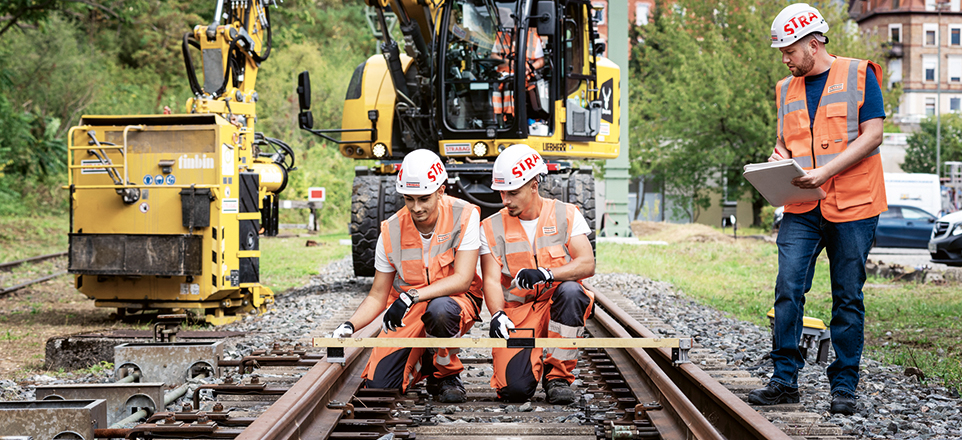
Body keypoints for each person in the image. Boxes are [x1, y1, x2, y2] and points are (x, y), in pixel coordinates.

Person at [748, 3, 887, 416]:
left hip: (854, 204)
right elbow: (787, 143)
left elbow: (873, 134)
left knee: (847, 296)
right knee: (788, 289)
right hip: (803, 203)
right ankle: (784, 379)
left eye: (789, 50)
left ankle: (844, 385)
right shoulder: (785, 88)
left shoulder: (860, 73)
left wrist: (825, 171)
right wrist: (777, 159)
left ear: (813, 43)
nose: (785, 59)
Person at [332, 149, 483, 403]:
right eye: (408, 199)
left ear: (441, 191)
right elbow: (378, 296)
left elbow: (463, 279)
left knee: (440, 309)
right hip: (411, 309)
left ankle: (446, 374)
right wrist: (350, 325)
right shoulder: (391, 230)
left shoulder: (464, 215)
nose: (416, 207)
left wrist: (410, 296)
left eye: (424, 198)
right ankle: (424, 359)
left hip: (456, 301)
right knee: (379, 386)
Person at [479, 144, 595, 404]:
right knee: (514, 392)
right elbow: (490, 280)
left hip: (556, 303)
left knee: (572, 291)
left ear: (534, 184)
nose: (505, 200)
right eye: (501, 193)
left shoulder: (567, 214)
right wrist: (497, 313)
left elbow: (587, 263)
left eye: (513, 192)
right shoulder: (490, 227)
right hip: (518, 315)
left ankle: (558, 377)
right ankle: (527, 369)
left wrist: (547, 273)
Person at [491, 7, 547, 124]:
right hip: (503, 74)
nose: (513, 29)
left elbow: (541, 61)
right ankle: (496, 118)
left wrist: (529, 68)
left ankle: (510, 117)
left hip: (523, 76)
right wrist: (506, 62)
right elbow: (493, 56)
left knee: (510, 85)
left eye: (516, 25)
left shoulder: (533, 38)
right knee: (495, 86)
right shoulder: (502, 37)